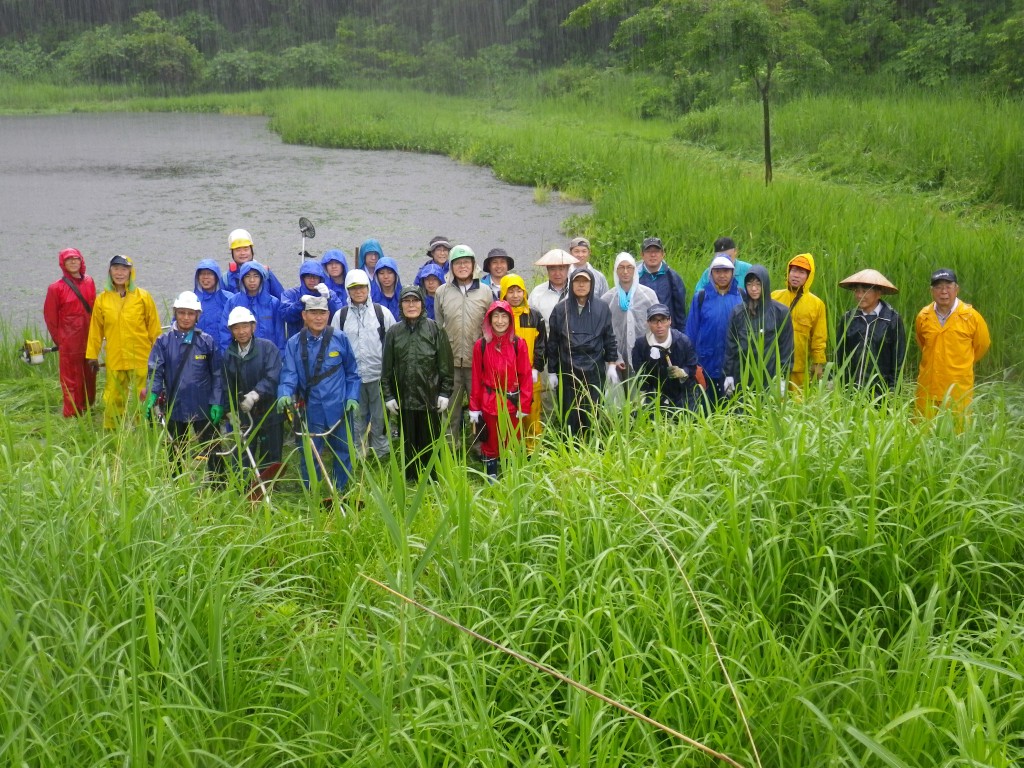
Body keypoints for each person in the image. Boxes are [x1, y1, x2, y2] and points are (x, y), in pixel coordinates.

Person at [277, 294, 361, 495]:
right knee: (309, 453)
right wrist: (284, 393)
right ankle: (311, 492)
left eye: (322, 313)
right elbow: (289, 374)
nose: (318, 318)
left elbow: (353, 372)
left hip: (339, 408)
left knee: (343, 451)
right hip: (310, 409)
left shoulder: (340, 339)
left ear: (328, 314)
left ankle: (341, 491)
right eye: (313, 313)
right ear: (304, 315)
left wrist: (352, 396)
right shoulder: (294, 343)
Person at [145, 291, 225, 473]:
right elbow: (155, 371)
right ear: (175, 313)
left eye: (190, 313)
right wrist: (152, 394)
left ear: (198, 316)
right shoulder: (163, 342)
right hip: (175, 405)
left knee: (213, 449)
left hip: (203, 406)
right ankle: (176, 485)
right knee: (175, 451)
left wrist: (217, 401)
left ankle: (218, 483)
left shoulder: (206, 342)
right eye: (182, 313)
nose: (186, 318)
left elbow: (218, 374)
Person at [381, 286, 455, 480]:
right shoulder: (393, 332)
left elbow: (445, 364)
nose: (411, 305)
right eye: (407, 301)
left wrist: (445, 393)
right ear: (401, 305)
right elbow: (386, 368)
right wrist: (388, 395)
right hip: (404, 398)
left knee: (430, 440)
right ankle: (411, 476)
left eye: (415, 301)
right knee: (408, 441)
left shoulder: (435, 329)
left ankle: (432, 476)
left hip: (429, 397)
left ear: (422, 304)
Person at [86, 255, 162, 429]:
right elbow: (95, 330)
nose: (119, 273)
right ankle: (112, 429)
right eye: (116, 269)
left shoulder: (143, 297)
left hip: (141, 356)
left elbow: (154, 328)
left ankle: (144, 427)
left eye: (124, 269)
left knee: (142, 395)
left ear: (131, 272)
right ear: (110, 271)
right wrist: (92, 355)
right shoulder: (102, 299)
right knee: (113, 395)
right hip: (115, 356)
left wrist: (159, 354)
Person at [331, 268, 397, 461]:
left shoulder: (381, 313)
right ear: (347, 291)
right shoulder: (340, 316)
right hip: (353, 379)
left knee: (380, 417)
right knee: (356, 418)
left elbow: (392, 344)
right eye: (353, 288)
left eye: (362, 287)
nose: (358, 291)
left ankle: (381, 451)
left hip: (378, 376)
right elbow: (335, 347)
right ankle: (358, 453)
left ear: (368, 288)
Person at [546, 269, 617, 437]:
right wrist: (552, 371)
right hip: (568, 371)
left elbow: (609, 337)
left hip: (594, 371)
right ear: (571, 284)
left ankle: (594, 449)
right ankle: (570, 450)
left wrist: (612, 364)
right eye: (577, 281)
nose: (581, 285)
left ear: (591, 284)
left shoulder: (602, 307)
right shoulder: (560, 309)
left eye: (585, 281)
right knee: (570, 414)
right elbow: (553, 343)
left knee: (592, 412)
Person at [468, 301, 534, 480]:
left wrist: (524, 404)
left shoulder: (518, 344)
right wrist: (474, 407)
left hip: (512, 402)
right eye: (496, 316)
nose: (500, 321)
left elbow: (525, 376)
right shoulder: (480, 346)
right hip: (489, 402)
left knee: (512, 440)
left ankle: (512, 477)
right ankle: (492, 478)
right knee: (490, 442)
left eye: (504, 316)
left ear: (510, 319)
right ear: (489, 320)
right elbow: (476, 378)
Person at [433, 244, 492, 444]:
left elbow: (491, 326)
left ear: (474, 265)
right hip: (450, 363)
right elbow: (439, 325)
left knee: (481, 408)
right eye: (457, 263)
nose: (462, 266)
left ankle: (481, 447)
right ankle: (451, 447)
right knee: (450, 409)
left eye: (466, 262)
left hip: (478, 363)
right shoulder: (442, 292)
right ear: (451, 266)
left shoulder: (485, 292)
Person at [914, 268, 990, 419]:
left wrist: (961, 363)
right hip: (929, 386)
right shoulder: (923, 316)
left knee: (957, 434)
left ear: (956, 289)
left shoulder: (971, 317)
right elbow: (922, 344)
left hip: (958, 388)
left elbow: (982, 345)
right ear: (931, 290)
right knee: (923, 431)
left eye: (948, 286)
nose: (943, 292)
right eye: (938, 287)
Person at [222, 305, 284, 471]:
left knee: (270, 456)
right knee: (242, 455)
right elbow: (226, 384)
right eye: (236, 328)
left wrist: (255, 394)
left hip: (269, 411)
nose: (241, 331)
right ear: (231, 331)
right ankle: (245, 489)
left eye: (245, 326)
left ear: (253, 327)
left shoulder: (267, 348)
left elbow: (273, 376)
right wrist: (229, 410)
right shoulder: (229, 354)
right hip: (244, 414)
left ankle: (269, 488)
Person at [723, 265, 793, 397]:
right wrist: (729, 375)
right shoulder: (738, 312)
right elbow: (731, 347)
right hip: (742, 377)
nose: (753, 289)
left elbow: (786, 348)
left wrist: (783, 377)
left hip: (770, 377)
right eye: (749, 284)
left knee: (768, 415)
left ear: (765, 284)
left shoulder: (780, 312)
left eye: (757, 284)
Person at [43, 247, 97, 417]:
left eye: (76, 258)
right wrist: (61, 341)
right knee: (71, 378)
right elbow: (50, 317)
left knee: (90, 373)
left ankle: (88, 406)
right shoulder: (55, 288)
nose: (73, 262)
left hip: (89, 337)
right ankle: (73, 413)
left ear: (81, 261)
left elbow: (95, 309)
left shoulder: (89, 281)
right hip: (69, 340)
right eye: (69, 259)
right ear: (63, 263)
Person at [835, 269, 907, 396]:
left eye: (865, 291)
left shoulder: (892, 320)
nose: (859, 295)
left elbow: (898, 359)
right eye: (857, 290)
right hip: (850, 390)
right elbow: (840, 355)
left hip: (880, 392)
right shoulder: (848, 318)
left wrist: (893, 389)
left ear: (878, 293)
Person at [686, 255, 745, 404]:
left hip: (734, 367)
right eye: (718, 271)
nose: (722, 275)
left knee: (731, 406)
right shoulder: (700, 297)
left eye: (726, 271)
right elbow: (691, 332)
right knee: (706, 407)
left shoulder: (742, 296)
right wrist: (691, 363)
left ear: (732, 273)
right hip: (706, 364)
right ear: (711, 273)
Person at [498, 274, 546, 450]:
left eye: (519, 291)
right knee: (509, 415)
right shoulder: (499, 316)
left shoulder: (534, 316)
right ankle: (510, 451)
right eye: (511, 291)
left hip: (530, 376)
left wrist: (536, 368)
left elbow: (541, 344)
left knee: (532, 415)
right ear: (503, 293)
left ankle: (533, 450)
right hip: (506, 377)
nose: (516, 295)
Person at [771, 253, 827, 390]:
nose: (796, 275)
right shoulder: (774, 296)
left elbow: (819, 337)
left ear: (809, 277)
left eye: (801, 272)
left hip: (799, 367)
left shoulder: (817, 304)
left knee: (797, 404)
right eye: (794, 270)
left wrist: (818, 363)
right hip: (773, 364)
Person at [631, 304, 700, 414]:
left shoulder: (682, 341)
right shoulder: (641, 345)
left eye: (663, 320)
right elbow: (641, 376)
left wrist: (682, 372)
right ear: (648, 323)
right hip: (655, 394)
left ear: (669, 321)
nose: (659, 325)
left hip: (683, 393)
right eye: (654, 321)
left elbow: (692, 367)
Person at [600, 252, 659, 381]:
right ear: (616, 270)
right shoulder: (607, 299)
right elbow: (602, 331)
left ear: (634, 270)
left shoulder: (648, 295)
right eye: (621, 267)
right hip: (615, 357)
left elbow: (658, 324)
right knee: (617, 396)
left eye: (629, 267)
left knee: (641, 393)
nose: (625, 271)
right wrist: (614, 356)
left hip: (643, 353)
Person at [220, 262, 286, 352]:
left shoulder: (273, 303)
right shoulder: (232, 302)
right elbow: (225, 332)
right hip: (241, 358)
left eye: (256, 276)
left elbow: (280, 335)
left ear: (261, 278)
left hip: (268, 357)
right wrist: (228, 358)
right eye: (247, 276)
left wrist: (279, 358)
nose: (252, 280)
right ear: (242, 279)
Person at [280, 260, 343, 340]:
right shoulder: (291, 294)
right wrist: (300, 303)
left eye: (315, 276)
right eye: (308, 276)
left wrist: (329, 298)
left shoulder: (329, 293)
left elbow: (339, 316)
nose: (312, 280)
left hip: (325, 342)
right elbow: (285, 316)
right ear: (303, 278)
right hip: (297, 343)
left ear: (320, 278)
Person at [637, 237, 688, 329]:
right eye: (648, 251)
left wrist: (681, 334)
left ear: (663, 254)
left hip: (667, 330)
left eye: (656, 251)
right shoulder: (636, 278)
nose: (653, 255)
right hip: (643, 331)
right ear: (642, 255)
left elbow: (680, 311)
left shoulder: (672, 277)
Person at [222, 228, 284, 298]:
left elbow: (282, 300)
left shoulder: (265, 273)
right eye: (238, 250)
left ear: (251, 250)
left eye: (246, 249)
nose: (242, 253)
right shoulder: (226, 279)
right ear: (232, 253)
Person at [529, 248, 577, 325]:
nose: (557, 273)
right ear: (547, 270)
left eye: (561, 269)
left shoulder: (577, 290)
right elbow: (530, 319)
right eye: (552, 269)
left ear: (568, 269)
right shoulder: (537, 292)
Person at [193, 259, 233, 348]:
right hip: (198, 352)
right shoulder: (191, 299)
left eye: (209, 274)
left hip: (224, 350)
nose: (205, 277)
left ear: (216, 277)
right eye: (202, 274)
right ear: (198, 277)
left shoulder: (228, 299)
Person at [370, 256, 403, 320]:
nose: (386, 276)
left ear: (395, 275)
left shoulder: (403, 296)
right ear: (376, 276)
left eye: (390, 273)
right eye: (381, 273)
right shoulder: (371, 297)